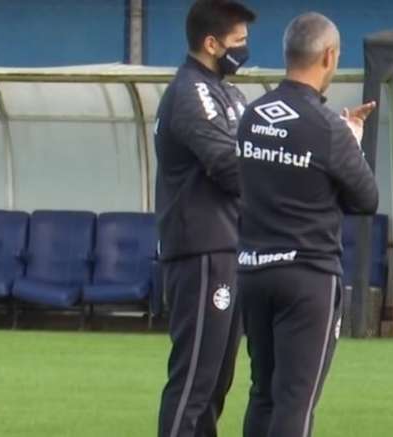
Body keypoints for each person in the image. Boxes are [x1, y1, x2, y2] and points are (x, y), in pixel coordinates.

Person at [235, 12, 378, 437]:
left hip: (254, 268)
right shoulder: (328, 129)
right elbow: (366, 198)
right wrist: (353, 139)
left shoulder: (253, 115)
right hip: (307, 275)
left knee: (263, 393)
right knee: (296, 400)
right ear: (329, 56)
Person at [154, 1, 255, 436]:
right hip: (201, 250)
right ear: (211, 43)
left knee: (216, 380)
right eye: (239, 42)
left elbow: (253, 155)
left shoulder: (227, 93)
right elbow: (229, 164)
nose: (245, 50)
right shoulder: (191, 92)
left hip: (228, 246)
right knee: (195, 378)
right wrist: (282, 183)